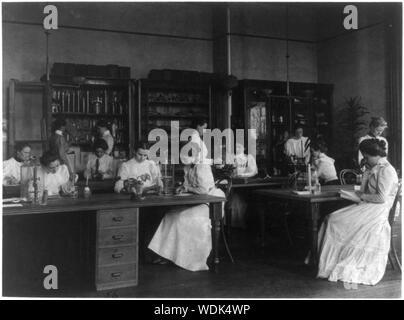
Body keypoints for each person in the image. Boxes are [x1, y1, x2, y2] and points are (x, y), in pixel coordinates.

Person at [317, 139, 398, 287]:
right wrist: (365, 177)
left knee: (335, 220)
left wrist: (361, 196)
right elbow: (364, 191)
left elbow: (381, 198)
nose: (365, 160)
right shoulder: (373, 167)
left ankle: (334, 262)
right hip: (369, 205)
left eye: (366, 157)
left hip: (377, 210)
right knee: (332, 217)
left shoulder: (386, 170)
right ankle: (327, 262)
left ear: (376, 155)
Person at [148, 142, 225, 271]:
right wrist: (182, 187)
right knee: (170, 215)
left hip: (211, 202)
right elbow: (188, 184)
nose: (182, 158)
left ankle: (187, 259)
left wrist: (187, 187)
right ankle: (167, 254)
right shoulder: (187, 167)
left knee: (181, 218)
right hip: (198, 201)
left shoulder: (202, 167)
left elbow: (203, 190)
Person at [228, 142, 258, 228]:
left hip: (245, 183)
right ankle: (232, 224)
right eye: (235, 147)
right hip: (233, 182)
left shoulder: (248, 157)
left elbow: (253, 171)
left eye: (239, 147)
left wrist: (242, 175)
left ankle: (240, 222)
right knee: (233, 198)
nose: (237, 149)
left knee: (241, 200)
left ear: (244, 148)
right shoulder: (231, 157)